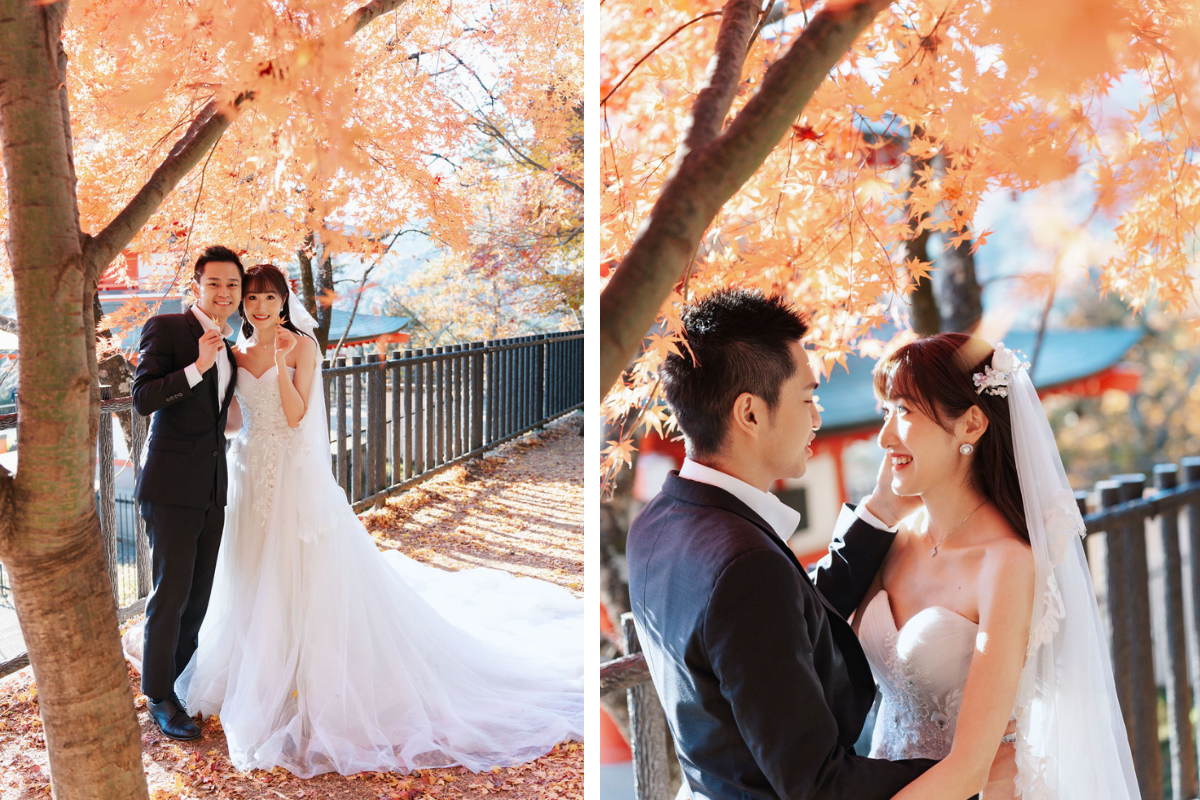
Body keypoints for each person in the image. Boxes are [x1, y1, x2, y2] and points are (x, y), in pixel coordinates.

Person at [171, 264, 582, 777]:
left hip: (295, 478)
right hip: (250, 470)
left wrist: (277, 365)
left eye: (268, 298)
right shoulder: (232, 352)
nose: (258, 307)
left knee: (298, 571)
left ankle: (310, 678)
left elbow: (299, 416)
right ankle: (259, 673)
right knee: (253, 570)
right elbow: (233, 421)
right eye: (251, 298)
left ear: (283, 301)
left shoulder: (301, 348)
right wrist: (214, 379)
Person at [625, 288, 1016, 800]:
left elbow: (777, 627)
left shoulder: (656, 523)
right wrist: (967, 771)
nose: (817, 418)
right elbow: (821, 788)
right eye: (807, 399)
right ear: (750, 413)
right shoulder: (746, 565)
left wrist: (878, 512)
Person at [854, 333, 1138, 799]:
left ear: (971, 425)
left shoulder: (1006, 563)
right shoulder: (891, 541)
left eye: (904, 411)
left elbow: (970, 769)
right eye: (886, 411)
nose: (884, 436)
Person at [131, 245, 243, 741]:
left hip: (213, 486)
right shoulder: (169, 329)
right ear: (197, 284)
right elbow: (142, 398)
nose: (224, 292)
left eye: (233, 285)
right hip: (171, 485)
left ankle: (175, 681)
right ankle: (158, 696)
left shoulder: (232, 344)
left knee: (198, 596)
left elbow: (222, 419)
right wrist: (197, 365)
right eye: (215, 283)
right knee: (169, 595)